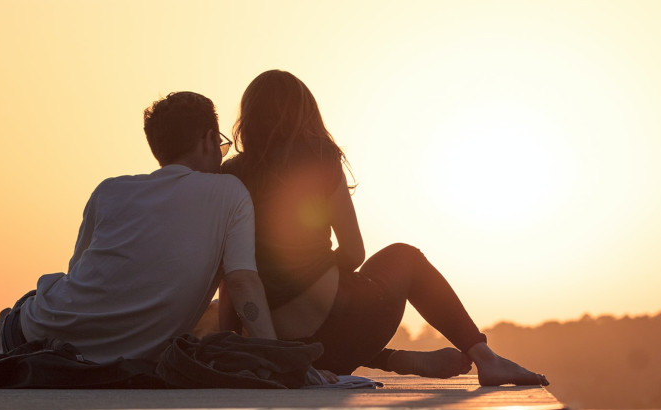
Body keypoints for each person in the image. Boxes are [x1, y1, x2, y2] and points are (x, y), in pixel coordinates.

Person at [219, 70, 548, 386]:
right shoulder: (320, 158)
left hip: (286, 347)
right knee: (405, 257)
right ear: (305, 116)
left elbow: (231, 277)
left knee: (318, 316)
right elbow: (354, 251)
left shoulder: (229, 176)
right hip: (341, 328)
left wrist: (239, 344)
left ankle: (393, 359)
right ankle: (485, 358)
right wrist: (317, 272)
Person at [0, 91, 279, 364]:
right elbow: (242, 283)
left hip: (38, 333)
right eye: (221, 145)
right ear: (209, 139)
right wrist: (281, 361)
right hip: (108, 355)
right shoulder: (230, 192)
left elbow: (80, 276)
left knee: (31, 304)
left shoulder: (109, 191)